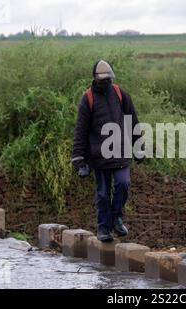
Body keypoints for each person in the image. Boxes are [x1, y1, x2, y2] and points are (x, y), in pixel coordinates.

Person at [72, 60, 143, 242]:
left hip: (121, 152)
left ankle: (117, 219)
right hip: (99, 156)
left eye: (109, 79)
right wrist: (79, 160)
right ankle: (104, 227)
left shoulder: (121, 94)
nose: (107, 83)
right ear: (96, 79)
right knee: (102, 194)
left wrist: (138, 147)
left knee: (123, 184)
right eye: (104, 80)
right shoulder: (88, 99)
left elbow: (132, 122)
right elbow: (81, 131)